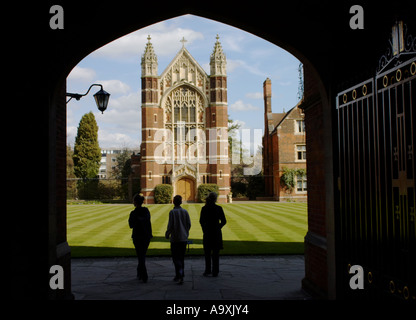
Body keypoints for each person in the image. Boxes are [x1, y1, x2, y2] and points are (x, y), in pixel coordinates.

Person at [165, 195, 191, 284]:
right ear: (181, 202)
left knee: (176, 258)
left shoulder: (172, 212)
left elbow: (170, 225)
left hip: (175, 239)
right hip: (183, 238)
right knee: (181, 258)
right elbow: (189, 224)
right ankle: (180, 274)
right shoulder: (185, 211)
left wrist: (167, 234)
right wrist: (186, 233)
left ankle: (179, 275)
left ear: (173, 202)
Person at [199, 192, 227, 277]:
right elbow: (224, 221)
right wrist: (218, 227)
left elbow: (201, 221)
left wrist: (205, 229)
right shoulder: (219, 208)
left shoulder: (204, 208)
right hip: (216, 233)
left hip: (207, 233)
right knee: (216, 254)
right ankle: (215, 272)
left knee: (207, 253)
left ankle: (207, 271)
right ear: (215, 199)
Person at [128, 194, 153, 283]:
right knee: (142, 255)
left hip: (137, 236)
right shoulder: (146, 211)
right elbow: (147, 221)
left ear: (135, 202)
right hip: (146, 236)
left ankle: (144, 275)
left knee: (140, 255)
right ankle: (140, 272)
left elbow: (131, 225)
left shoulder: (133, 213)